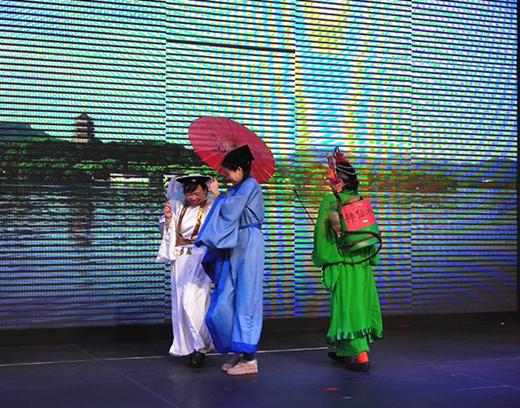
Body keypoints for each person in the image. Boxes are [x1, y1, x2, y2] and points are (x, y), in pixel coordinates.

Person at [195, 145, 265, 376]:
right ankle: (239, 351)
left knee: (247, 297)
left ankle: (250, 359)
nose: (225, 176)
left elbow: (230, 212)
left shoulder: (251, 185)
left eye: (228, 172)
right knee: (228, 297)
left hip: (248, 242)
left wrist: (217, 195)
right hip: (235, 243)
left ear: (240, 170)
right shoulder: (235, 188)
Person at [312, 158, 383, 372]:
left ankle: (361, 357)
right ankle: (344, 351)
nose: (329, 181)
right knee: (359, 304)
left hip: (343, 261)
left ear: (340, 182)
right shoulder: (359, 199)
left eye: (332, 177)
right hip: (362, 263)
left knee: (347, 307)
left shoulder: (330, 201)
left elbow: (321, 234)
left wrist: (322, 258)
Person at [156, 174, 215, 368]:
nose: (193, 198)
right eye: (190, 194)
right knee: (181, 303)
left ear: (205, 191)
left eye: (197, 193)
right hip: (181, 259)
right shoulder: (178, 206)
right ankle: (189, 348)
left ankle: (200, 347)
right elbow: (168, 232)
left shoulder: (211, 207)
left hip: (200, 258)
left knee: (194, 302)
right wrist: (168, 220)